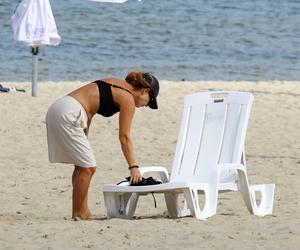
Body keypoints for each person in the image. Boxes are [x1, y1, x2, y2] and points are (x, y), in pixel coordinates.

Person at [45, 71, 159, 220]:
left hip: (61, 108)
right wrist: (133, 167)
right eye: (149, 101)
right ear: (145, 91)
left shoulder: (115, 83)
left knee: (82, 166)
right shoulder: (128, 98)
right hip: (69, 113)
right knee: (88, 168)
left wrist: (84, 135)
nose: (146, 106)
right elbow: (124, 136)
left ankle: (82, 211)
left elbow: (89, 110)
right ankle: (79, 213)